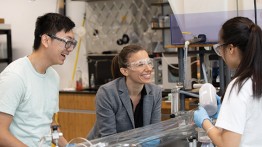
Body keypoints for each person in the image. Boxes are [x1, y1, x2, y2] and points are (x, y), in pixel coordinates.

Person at [0, 13, 77, 147]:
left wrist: (67, 145)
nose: (70, 49)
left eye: (72, 44)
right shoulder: (15, 76)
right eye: (67, 42)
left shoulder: (53, 76)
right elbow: (1, 133)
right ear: (46, 40)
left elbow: (48, 122)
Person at [194, 16, 262, 147]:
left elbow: (228, 144)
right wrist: (226, 112)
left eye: (220, 48)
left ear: (231, 48)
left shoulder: (239, 86)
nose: (221, 54)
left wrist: (204, 122)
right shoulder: (255, 80)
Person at [87, 44, 162, 140]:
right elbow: (109, 138)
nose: (148, 69)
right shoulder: (107, 93)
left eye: (149, 62)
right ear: (125, 71)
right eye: (140, 64)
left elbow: (154, 132)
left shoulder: (155, 92)